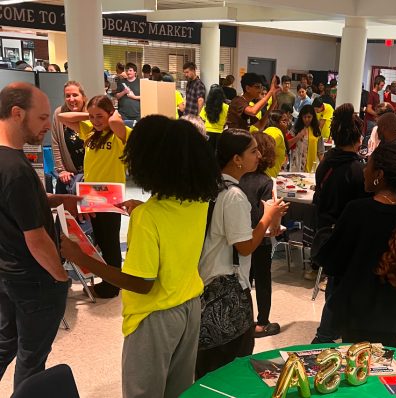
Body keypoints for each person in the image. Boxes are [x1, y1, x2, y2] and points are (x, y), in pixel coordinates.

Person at [61, 115, 221, 398]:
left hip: (154, 317)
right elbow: (172, 222)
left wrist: (84, 260)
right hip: (189, 307)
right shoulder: (197, 202)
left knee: (143, 393)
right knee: (179, 389)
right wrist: (143, 207)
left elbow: (142, 282)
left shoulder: (149, 217)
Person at [0, 82, 81, 390]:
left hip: (7, 273)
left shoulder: (8, 162)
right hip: (33, 280)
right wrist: (60, 278)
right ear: (17, 113)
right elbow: (35, 238)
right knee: (32, 358)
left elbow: (13, 203)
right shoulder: (16, 168)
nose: (49, 126)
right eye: (42, 118)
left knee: (6, 344)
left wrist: (55, 199)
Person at [315, 144, 396, 346]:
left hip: (357, 315)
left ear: (380, 175)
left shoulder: (357, 211)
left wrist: (326, 235)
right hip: (395, 318)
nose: (364, 170)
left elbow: (332, 262)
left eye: (368, 165)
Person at [196, 129, 287, 378]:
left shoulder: (213, 186)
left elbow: (226, 234)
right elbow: (244, 246)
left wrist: (261, 231)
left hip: (206, 281)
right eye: (253, 151)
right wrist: (267, 217)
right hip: (227, 289)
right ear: (237, 158)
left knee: (210, 363)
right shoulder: (235, 196)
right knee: (232, 365)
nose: (259, 156)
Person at [58, 96, 131, 299]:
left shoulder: (119, 134)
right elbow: (62, 116)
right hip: (92, 194)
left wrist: (109, 113)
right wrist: (91, 114)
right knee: (99, 240)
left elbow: (116, 121)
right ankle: (106, 281)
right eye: (92, 117)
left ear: (110, 114)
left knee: (110, 242)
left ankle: (112, 286)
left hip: (111, 196)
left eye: (100, 116)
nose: (96, 121)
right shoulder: (90, 131)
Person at [312, 103, 368, 343]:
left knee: (334, 282)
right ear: (358, 138)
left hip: (325, 232)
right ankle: (325, 335)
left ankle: (330, 330)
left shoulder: (326, 162)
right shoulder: (357, 170)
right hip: (346, 235)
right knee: (340, 288)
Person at [239, 132, 282, 338]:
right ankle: (262, 322)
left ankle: (243, 320)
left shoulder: (238, 179)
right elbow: (265, 210)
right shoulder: (266, 181)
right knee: (263, 280)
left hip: (240, 237)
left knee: (243, 279)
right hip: (261, 238)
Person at [51, 81, 86, 194]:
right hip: (68, 175)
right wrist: (61, 170)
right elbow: (55, 143)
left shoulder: (91, 114)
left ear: (83, 97)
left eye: (75, 95)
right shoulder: (59, 113)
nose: (71, 99)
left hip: (90, 175)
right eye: (67, 96)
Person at [289, 105, 324, 172]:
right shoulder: (295, 129)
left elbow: (320, 151)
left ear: (313, 117)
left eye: (309, 117)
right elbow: (288, 144)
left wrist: (323, 167)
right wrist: (298, 137)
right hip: (296, 164)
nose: (306, 119)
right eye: (304, 117)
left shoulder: (316, 130)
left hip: (312, 165)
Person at [200, 84, 229, 152]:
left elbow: (202, 119)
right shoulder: (226, 107)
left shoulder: (206, 107)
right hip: (220, 133)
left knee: (208, 153)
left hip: (207, 133)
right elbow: (227, 119)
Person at [263, 110, 289, 178]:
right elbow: (266, 147)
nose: (287, 124)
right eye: (284, 121)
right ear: (275, 122)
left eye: (287, 121)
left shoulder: (270, 130)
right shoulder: (275, 131)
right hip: (267, 177)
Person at [364, 75, 385, 146]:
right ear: (377, 84)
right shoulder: (371, 94)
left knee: (372, 140)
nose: (382, 87)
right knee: (368, 140)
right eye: (382, 85)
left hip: (374, 120)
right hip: (370, 120)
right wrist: (378, 115)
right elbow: (368, 109)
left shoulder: (377, 95)